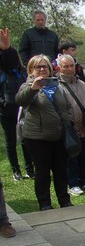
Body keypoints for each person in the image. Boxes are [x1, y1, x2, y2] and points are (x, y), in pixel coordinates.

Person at [16, 55, 74, 210]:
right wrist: (33, 88)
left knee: (60, 171)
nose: (42, 69)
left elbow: (67, 106)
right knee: (42, 173)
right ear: (31, 70)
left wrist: (68, 119)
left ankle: (64, 200)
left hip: (59, 135)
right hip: (37, 137)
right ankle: (45, 203)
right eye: (38, 67)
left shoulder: (56, 85)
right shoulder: (27, 86)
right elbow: (20, 100)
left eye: (45, 67)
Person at [0, 28, 34, 180]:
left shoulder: (21, 71)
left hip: (22, 110)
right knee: (11, 141)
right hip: (6, 110)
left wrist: (8, 48)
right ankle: (16, 170)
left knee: (25, 140)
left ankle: (30, 168)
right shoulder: (2, 73)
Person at [58, 54, 85, 196]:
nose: (69, 69)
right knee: (71, 157)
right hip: (68, 128)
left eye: (71, 65)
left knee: (83, 157)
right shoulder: (58, 85)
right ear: (60, 67)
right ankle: (73, 183)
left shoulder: (82, 84)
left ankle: (84, 181)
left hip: (83, 127)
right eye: (65, 66)